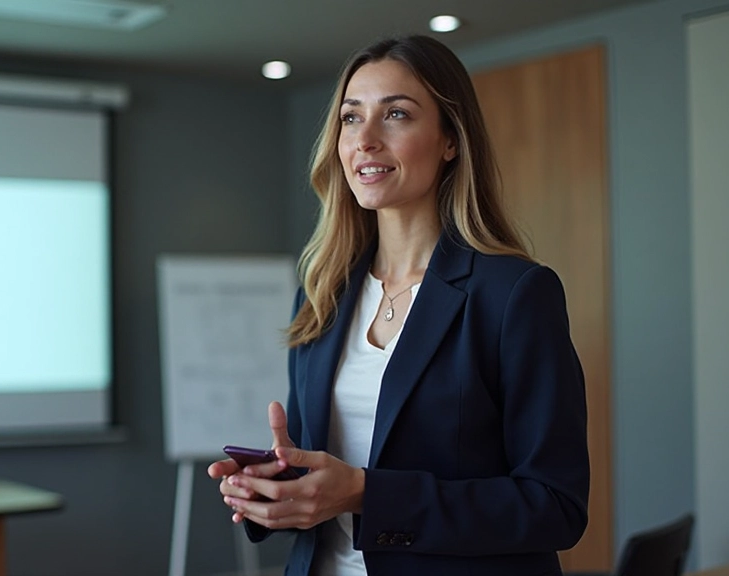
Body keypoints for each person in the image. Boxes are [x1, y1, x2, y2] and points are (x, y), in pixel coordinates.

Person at [207, 34, 589, 576]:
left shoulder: (514, 295)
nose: (365, 139)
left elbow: (556, 507)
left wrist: (366, 494)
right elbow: (322, 473)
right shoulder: (323, 293)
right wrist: (275, 491)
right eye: (350, 117)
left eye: (397, 115)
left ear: (450, 140)